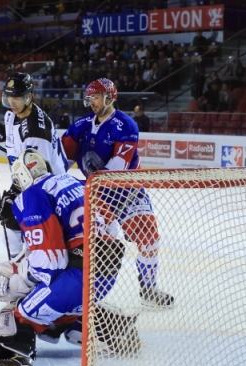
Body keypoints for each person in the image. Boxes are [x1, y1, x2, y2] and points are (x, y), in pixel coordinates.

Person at [0, 149, 140, 366]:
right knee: (58, 309)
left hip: (76, 278)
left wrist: (21, 283)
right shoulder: (79, 183)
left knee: (21, 311)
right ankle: (106, 327)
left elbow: (50, 259)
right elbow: (111, 228)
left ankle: (15, 357)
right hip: (105, 277)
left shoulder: (32, 195)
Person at [61, 78, 174, 308]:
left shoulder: (126, 126)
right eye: (89, 97)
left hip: (127, 191)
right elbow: (60, 159)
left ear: (109, 97)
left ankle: (149, 290)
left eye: (96, 97)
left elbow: (117, 170)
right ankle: (87, 296)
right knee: (99, 247)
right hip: (97, 196)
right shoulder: (80, 126)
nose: (91, 101)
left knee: (149, 237)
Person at [0, 72, 69, 258]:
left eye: (17, 98)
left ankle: (25, 271)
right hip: (27, 180)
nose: (12, 103)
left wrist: (13, 195)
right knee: (11, 224)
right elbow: (14, 132)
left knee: (22, 227)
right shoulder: (13, 115)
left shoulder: (36, 131)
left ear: (29, 96)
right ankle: (19, 268)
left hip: (50, 191)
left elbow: (38, 177)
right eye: (9, 97)